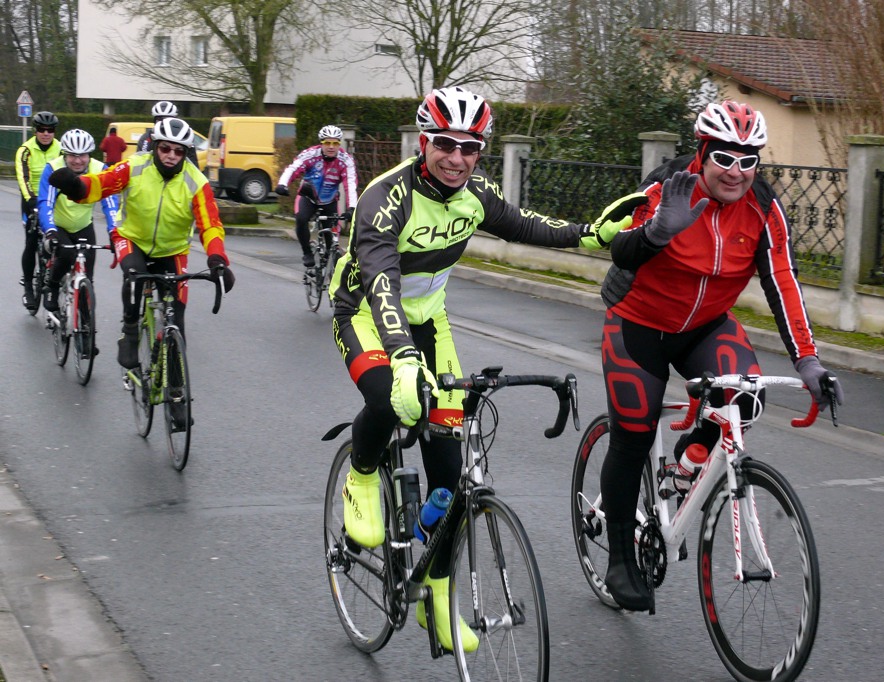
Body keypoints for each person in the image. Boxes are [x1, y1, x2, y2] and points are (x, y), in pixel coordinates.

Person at [330, 85, 646, 652]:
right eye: (446, 144)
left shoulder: (475, 194)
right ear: (424, 142)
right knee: (393, 398)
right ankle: (362, 474)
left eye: (471, 147)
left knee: (451, 479)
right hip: (367, 314)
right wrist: (402, 356)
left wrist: (591, 234)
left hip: (430, 322)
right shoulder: (385, 198)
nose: (457, 158)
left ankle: (436, 595)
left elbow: (527, 225)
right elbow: (381, 281)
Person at [595, 100, 845, 611]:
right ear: (703, 152)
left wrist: (808, 360)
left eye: (748, 160)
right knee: (634, 432)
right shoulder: (666, 189)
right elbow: (618, 248)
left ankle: (689, 460)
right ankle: (619, 557)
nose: (736, 172)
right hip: (637, 325)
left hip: (705, 327)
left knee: (747, 398)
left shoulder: (762, 208)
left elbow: (783, 282)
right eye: (725, 158)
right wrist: (657, 231)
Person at [48, 118, 235, 418]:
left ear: (186, 153)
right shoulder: (135, 166)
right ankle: (131, 332)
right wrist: (76, 185)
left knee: (177, 321)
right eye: (165, 148)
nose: (171, 155)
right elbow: (101, 183)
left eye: (179, 151)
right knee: (134, 277)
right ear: (155, 147)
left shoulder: (196, 182)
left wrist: (217, 259)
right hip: (132, 239)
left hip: (172, 251)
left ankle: (176, 394)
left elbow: (211, 225)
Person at [37, 130, 120, 321]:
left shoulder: (99, 169)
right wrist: (50, 231)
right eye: (72, 155)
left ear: (89, 155)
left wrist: (114, 231)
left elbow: (110, 203)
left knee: (87, 277)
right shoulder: (53, 168)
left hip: (84, 226)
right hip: (59, 226)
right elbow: (46, 203)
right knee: (66, 255)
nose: (77, 161)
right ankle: (53, 285)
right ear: (64, 154)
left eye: (82, 155)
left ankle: (86, 327)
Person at [274, 125, 358, 268]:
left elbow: (350, 184)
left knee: (332, 240)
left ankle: (329, 261)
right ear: (321, 143)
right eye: (327, 143)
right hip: (308, 197)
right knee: (301, 219)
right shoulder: (311, 154)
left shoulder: (346, 160)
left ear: (339, 144)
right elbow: (293, 168)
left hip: (329, 200)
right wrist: (283, 184)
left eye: (335, 143)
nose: (331, 147)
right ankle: (307, 252)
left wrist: (352, 208)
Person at [15, 111, 62, 311]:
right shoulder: (25, 150)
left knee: (59, 241)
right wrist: (32, 200)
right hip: (31, 199)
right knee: (32, 241)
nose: (46, 133)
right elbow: (23, 178)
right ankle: (28, 287)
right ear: (35, 131)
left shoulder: (61, 148)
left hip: (54, 199)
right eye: (42, 130)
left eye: (50, 130)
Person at [136, 101, 199, 166]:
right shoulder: (146, 138)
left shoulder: (184, 136)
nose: (164, 122)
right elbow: (140, 160)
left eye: (167, 119)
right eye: (159, 120)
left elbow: (193, 164)